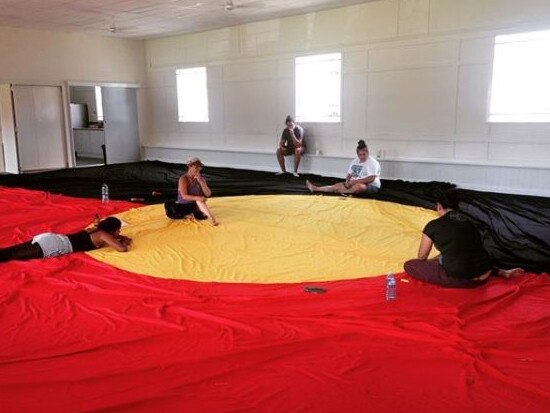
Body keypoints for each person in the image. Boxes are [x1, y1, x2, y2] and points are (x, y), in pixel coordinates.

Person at [404, 189, 524, 288]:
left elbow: (422, 257)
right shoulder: (469, 221)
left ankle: (447, 269)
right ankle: (502, 272)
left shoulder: (433, 225)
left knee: (410, 265)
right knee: (460, 255)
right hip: (485, 273)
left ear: (439, 206)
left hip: (466, 280)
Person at [0, 216, 131, 263]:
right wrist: (123, 240)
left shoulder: (95, 230)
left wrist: (119, 237)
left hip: (51, 239)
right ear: (113, 229)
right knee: (12, 255)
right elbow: (122, 249)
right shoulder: (103, 235)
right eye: (119, 230)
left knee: (11, 251)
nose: (119, 232)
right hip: (55, 246)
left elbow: (111, 237)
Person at [306, 140, 381, 195]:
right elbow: (349, 174)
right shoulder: (354, 161)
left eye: (364, 154)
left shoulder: (373, 162)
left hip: (371, 185)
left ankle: (344, 192)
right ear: (357, 154)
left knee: (359, 186)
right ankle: (315, 188)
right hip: (354, 182)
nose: (362, 156)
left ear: (367, 153)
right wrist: (347, 182)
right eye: (360, 154)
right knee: (337, 185)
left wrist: (354, 182)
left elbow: (371, 179)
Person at [164, 157, 219, 226]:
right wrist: (198, 198)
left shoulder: (201, 179)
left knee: (201, 216)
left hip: (194, 205)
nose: (198, 169)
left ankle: (212, 219)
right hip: (183, 205)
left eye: (199, 167)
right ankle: (187, 214)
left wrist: (201, 182)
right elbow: (184, 196)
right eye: (196, 167)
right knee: (172, 213)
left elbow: (208, 194)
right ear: (189, 167)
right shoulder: (183, 179)